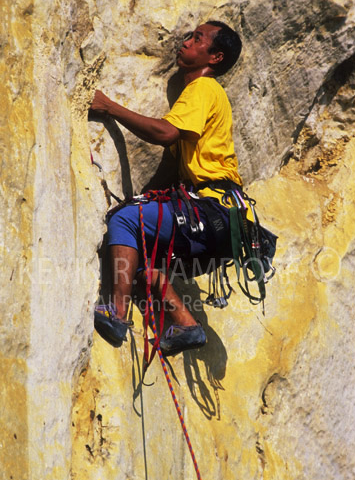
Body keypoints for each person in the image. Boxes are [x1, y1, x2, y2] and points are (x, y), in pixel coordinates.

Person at [90, 21, 242, 356]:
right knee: (139, 253)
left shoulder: (203, 89)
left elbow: (165, 134)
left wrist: (109, 107)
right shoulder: (203, 97)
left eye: (197, 39)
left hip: (212, 209)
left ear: (214, 57)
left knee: (127, 221)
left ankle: (116, 312)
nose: (186, 42)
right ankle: (186, 323)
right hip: (224, 223)